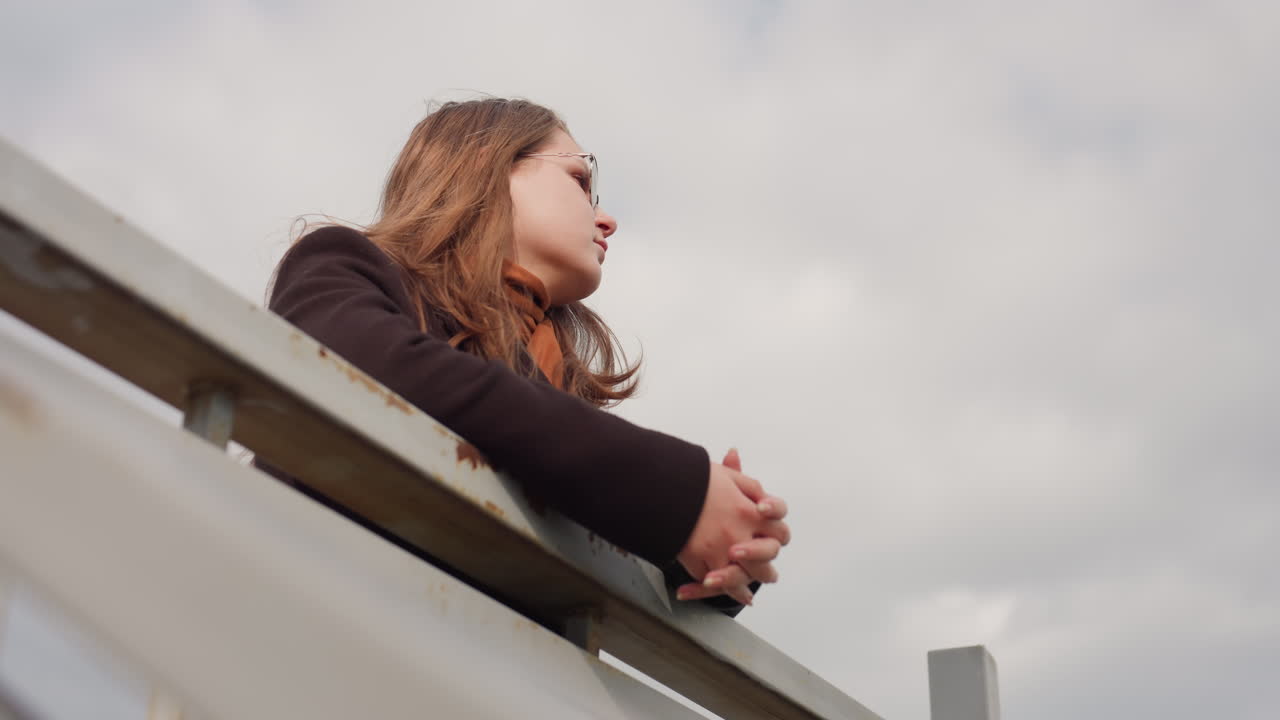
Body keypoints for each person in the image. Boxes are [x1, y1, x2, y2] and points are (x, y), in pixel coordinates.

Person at [253, 97, 790, 613]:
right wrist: (680, 493)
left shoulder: (548, 389)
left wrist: (718, 552)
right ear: (487, 166)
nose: (607, 221)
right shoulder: (342, 265)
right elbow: (370, 370)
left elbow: (584, 522)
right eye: (583, 182)